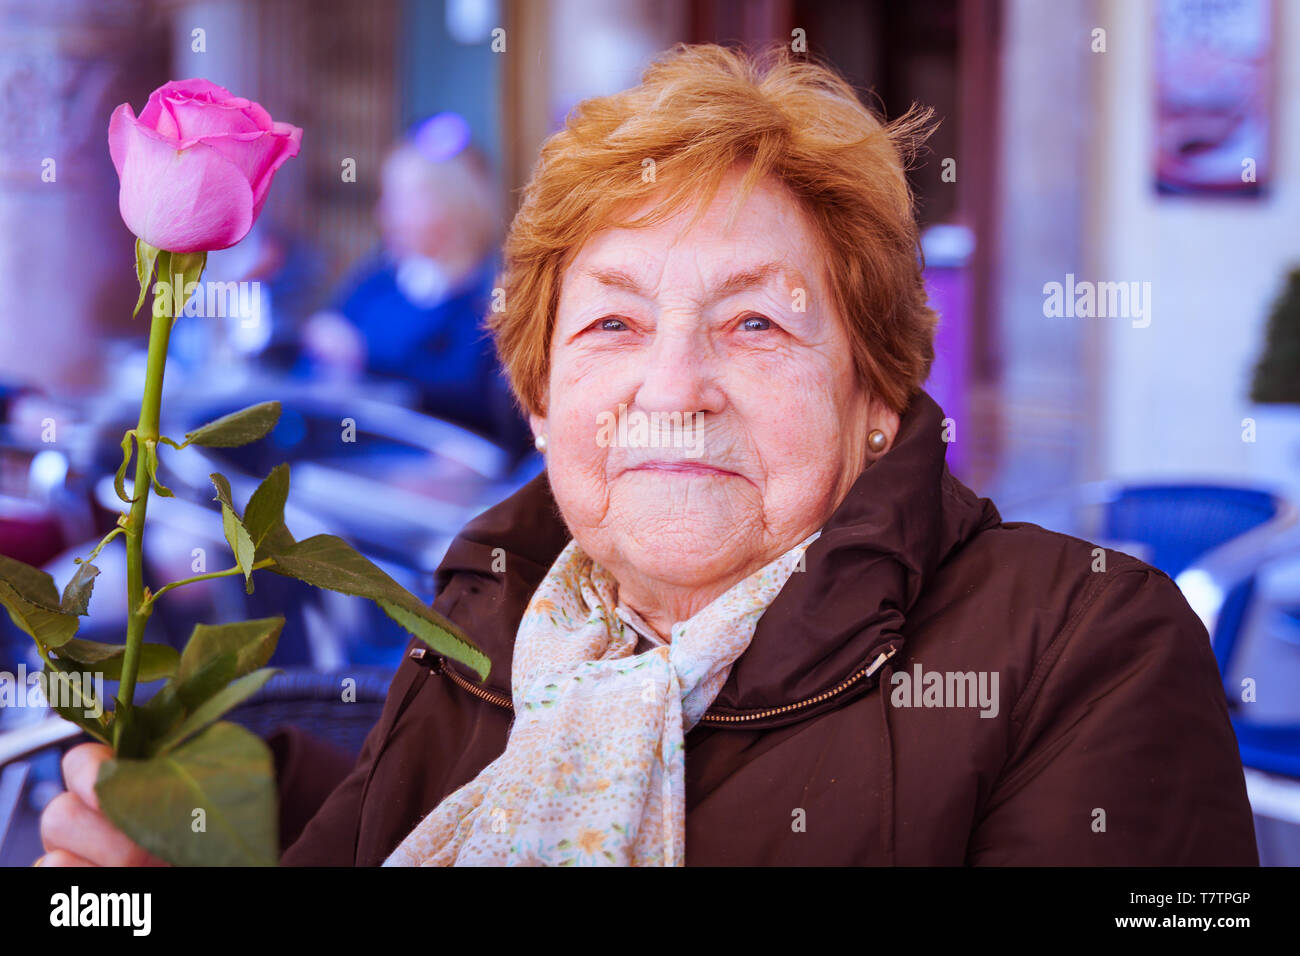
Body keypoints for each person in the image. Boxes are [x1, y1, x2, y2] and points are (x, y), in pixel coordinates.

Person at [37, 43, 1257, 866]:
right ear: (539, 395)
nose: (673, 386)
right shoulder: (485, 623)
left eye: (757, 322)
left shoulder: (1091, 646)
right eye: (613, 322)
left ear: (875, 395)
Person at [297, 112, 531, 458]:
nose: (383, 213)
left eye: (397, 200)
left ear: (449, 206)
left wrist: (362, 357)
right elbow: (314, 363)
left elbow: (471, 391)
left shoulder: (490, 293)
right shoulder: (376, 282)